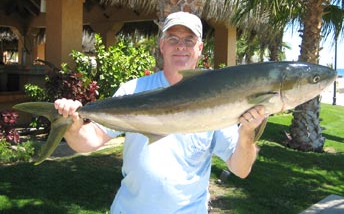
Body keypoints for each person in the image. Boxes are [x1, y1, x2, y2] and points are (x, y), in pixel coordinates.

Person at [55, 11, 267, 213]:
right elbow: (89, 141)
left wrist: (247, 133)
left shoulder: (220, 99)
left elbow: (241, 169)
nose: (181, 46)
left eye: (189, 40)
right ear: (162, 45)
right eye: (173, 39)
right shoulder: (132, 90)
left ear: (200, 48)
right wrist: (72, 127)